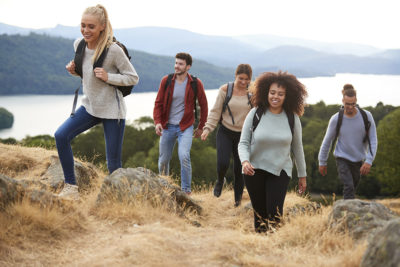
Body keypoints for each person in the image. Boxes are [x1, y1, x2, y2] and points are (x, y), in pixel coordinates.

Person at [55, 4, 139, 199]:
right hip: (90, 107)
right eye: (83, 25)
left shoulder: (114, 50)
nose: (86, 30)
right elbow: (89, 77)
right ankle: (71, 188)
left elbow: (133, 78)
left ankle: (117, 200)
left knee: (113, 164)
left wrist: (109, 77)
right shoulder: (79, 44)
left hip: (112, 110)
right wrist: (75, 71)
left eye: (91, 26)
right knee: (61, 135)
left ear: (102, 26)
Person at [238, 71, 307, 233]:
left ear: (287, 96)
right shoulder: (255, 113)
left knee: (275, 213)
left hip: (280, 170)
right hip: (254, 170)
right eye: (272, 93)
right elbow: (243, 143)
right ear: (266, 93)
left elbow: (298, 148)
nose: (275, 97)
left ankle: (275, 246)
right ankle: (261, 250)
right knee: (260, 215)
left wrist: (302, 176)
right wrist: (245, 161)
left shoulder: (292, 118)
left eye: (280, 94)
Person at [153, 53, 208, 194]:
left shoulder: (196, 83)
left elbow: (204, 105)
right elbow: (158, 103)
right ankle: (164, 188)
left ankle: (186, 191)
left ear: (188, 67)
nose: (177, 66)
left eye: (181, 64)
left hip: (185, 127)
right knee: (163, 160)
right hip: (167, 126)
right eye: (176, 63)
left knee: (184, 156)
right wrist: (157, 122)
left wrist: (201, 127)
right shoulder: (166, 81)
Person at [201, 64, 253, 206]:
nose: (243, 82)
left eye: (246, 79)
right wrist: (207, 129)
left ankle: (237, 200)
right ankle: (220, 180)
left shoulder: (252, 92)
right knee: (223, 162)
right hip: (225, 131)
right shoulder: (225, 90)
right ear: (235, 76)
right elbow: (215, 111)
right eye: (240, 78)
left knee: (239, 168)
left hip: (243, 136)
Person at [318, 84, 377, 199]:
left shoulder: (367, 116)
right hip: (342, 158)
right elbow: (327, 141)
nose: (350, 107)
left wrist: (369, 160)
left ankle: (346, 210)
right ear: (342, 101)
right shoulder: (336, 119)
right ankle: (347, 214)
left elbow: (373, 140)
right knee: (349, 187)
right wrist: (322, 161)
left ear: (356, 101)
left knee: (353, 187)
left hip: (359, 160)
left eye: (353, 104)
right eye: (347, 104)